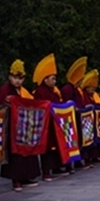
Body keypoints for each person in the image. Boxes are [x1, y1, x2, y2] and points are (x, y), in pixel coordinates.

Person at [0, 60, 41, 191]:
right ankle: (16, 180)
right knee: (15, 155)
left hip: (24, 127)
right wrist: (7, 104)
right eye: (15, 78)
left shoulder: (24, 91)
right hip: (11, 128)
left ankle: (26, 177)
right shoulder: (5, 90)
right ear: (10, 77)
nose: (17, 81)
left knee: (27, 152)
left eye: (20, 79)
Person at [32, 54, 67, 182]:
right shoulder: (40, 91)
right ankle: (46, 171)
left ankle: (56, 168)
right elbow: (41, 106)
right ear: (45, 79)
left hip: (55, 123)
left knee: (56, 145)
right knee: (47, 147)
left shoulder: (53, 91)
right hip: (46, 124)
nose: (55, 81)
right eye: (53, 79)